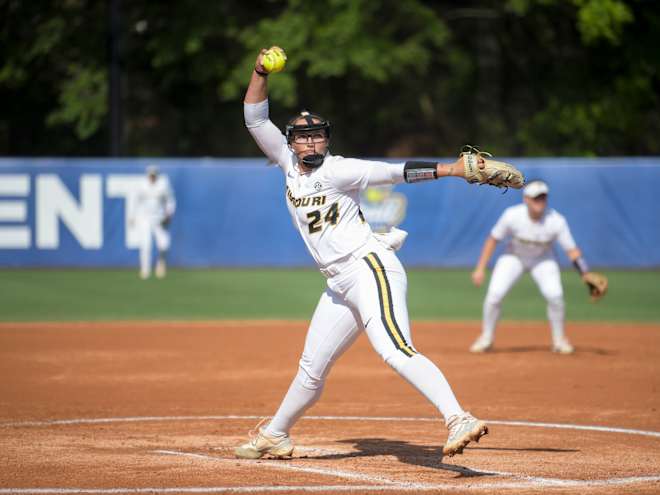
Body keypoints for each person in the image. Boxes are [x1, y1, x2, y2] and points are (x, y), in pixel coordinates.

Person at [234, 46, 515, 461]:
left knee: (394, 348)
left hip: (368, 267)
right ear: (290, 144)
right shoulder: (286, 163)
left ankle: (458, 417)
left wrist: (453, 169)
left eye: (318, 135)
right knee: (312, 369)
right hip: (338, 283)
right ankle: (276, 434)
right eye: (303, 136)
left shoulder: (338, 169)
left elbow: (395, 172)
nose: (311, 141)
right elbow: (255, 116)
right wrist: (260, 70)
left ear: (327, 140)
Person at [470, 179, 592, 354]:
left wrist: (585, 273)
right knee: (494, 296)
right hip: (514, 256)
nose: (540, 202)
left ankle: (559, 340)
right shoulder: (512, 215)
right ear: (526, 199)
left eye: (543, 198)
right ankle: (486, 338)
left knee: (555, 296)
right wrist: (480, 268)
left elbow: (572, 251)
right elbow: (493, 239)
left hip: (543, 259)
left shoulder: (556, 220)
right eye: (536, 198)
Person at [130, 165, 176, 279]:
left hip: (159, 218)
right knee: (145, 244)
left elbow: (170, 200)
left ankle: (161, 264)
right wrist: (132, 216)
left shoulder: (163, 184)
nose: (152, 177)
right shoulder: (142, 185)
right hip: (144, 217)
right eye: (151, 175)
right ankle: (145, 270)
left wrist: (169, 214)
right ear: (147, 175)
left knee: (164, 243)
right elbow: (135, 201)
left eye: (154, 175)